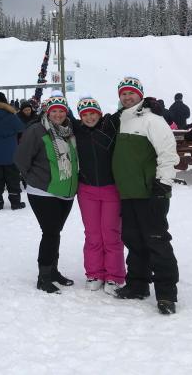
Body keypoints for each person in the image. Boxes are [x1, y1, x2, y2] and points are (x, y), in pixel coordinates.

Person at [112, 77, 180, 315]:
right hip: (128, 193)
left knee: (157, 242)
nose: (127, 97)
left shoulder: (153, 120)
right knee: (133, 240)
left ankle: (166, 294)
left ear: (140, 95)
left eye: (131, 93)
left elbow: (168, 153)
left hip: (151, 192)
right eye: (123, 94)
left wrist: (163, 184)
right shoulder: (120, 120)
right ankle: (137, 285)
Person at [15, 94, 79, 293]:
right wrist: (34, 178)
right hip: (43, 191)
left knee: (54, 233)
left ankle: (53, 271)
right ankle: (43, 277)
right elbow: (21, 158)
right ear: (47, 112)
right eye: (54, 111)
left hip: (66, 192)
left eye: (61, 111)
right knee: (50, 232)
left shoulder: (69, 131)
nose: (58, 114)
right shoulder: (36, 130)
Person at [71, 96, 125, 294]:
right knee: (93, 234)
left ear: (99, 113)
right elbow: (56, 116)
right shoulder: (77, 129)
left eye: (93, 113)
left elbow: (126, 110)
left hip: (111, 188)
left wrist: (149, 105)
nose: (89, 117)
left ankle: (115, 276)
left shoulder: (109, 125)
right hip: (87, 190)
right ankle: (94, 273)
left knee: (110, 233)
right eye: (85, 114)